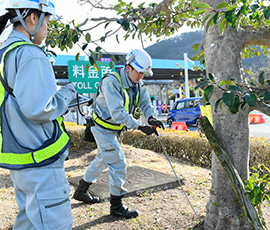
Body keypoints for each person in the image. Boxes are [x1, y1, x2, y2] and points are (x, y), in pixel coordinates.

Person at [0, 0, 78, 229]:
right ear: (33, 18)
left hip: (21, 162)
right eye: (47, 21)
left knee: (29, 223)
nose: (48, 28)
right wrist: (68, 93)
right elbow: (39, 108)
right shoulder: (30, 54)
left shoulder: (4, 53)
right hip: (41, 162)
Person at [73, 48, 164, 218]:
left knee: (102, 159)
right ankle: (116, 206)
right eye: (139, 72)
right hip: (101, 128)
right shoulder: (111, 82)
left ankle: (81, 190)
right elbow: (118, 113)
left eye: (144, 74)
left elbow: (145, 101)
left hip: (113, 130)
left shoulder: (137, 83)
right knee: (118, 163)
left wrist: (151, 118)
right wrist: (139, 126)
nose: (141, 77)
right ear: (128, 67)